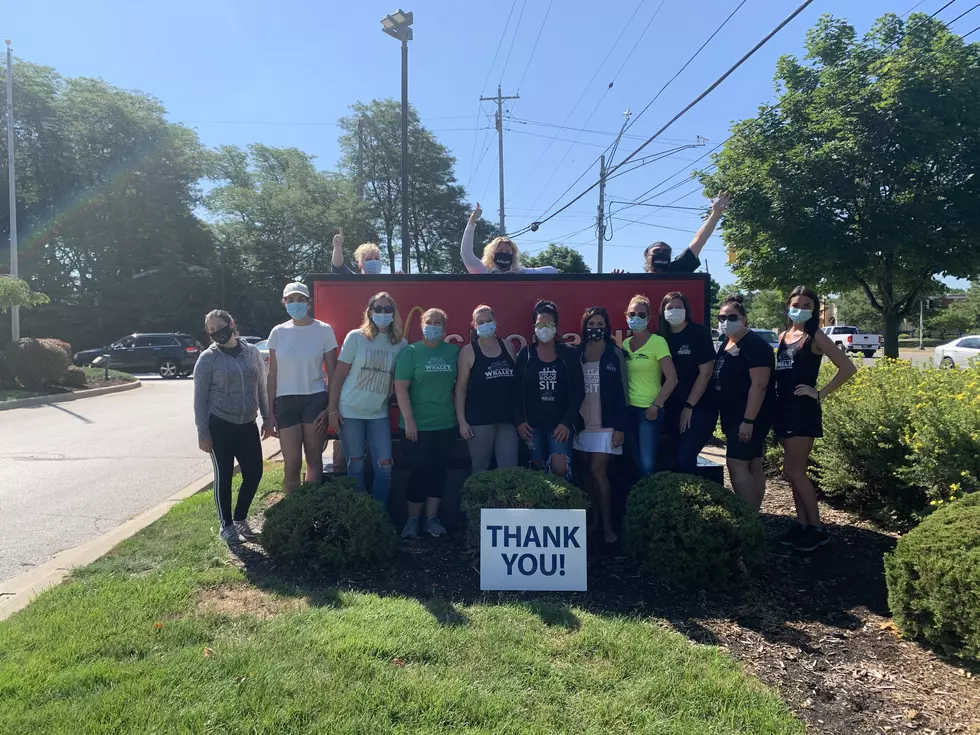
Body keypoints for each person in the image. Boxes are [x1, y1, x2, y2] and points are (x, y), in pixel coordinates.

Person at [774, 286, 857, 552]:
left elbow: (848, 368)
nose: (800, 308)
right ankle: (802, 523)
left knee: (796, 472)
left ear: (814, 309)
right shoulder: (784, 336)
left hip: (802, 411)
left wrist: (819, 393)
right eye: (796, 303)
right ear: (788, 306)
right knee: (791, 472)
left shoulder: (816, 337)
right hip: (783, 409)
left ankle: (818, 529)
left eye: (807, 305)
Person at [193, 309, 272, 545]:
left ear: (231, 323)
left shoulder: (252, 352)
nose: (217, 333)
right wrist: (203, 432)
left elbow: (261, 386)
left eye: (220, 326)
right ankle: (226, 525)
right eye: (211, 331)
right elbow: (200, 399)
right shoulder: (208, 359)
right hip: (220, 425)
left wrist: (267, 418)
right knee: (224, 476)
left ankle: (240, 518)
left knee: (254, 473)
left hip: (247, 423)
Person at [327, 291, 407, 505]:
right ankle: (361, 515)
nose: (382, 313)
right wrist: (332, 410)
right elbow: (338, 376)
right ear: (370, 312)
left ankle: (378, 514)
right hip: (349, 411)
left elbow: (401, 380)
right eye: (378, 309)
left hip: (377, 414)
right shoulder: (356, 337)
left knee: (385, 466)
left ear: (394, 313)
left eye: (387, 309)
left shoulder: (401, 344)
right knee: (356, 465)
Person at [394, 308, 460, 538]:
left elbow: (461, 386)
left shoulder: (453, 352)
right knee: (419, 472)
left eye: (438, 322)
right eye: (429, 322)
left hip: (445, 423)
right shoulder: (410, 352)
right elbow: (400, 387)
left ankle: (431, 519)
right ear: (422, 325)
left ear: (444, 328)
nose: (433, 326)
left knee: (438, 472)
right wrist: (410, 420)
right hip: (416, 427)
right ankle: (412, 521)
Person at [267, 282, 338, 494]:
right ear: (284, 303)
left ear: (308, 302)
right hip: (286, 401)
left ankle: (310, 512)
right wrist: (270, 414)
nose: (295, 304)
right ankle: (292, 514)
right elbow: (272, 376)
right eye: (290, 300)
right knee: (291, 464)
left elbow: (334, 374)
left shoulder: (324, 330)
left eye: (300, 299)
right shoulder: (278, 332)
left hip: (315, 399)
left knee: (314, 459)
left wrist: (331, 408)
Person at [714, 294, 775, 511]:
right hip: (733, 413)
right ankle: (756, 517)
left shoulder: (755, 346)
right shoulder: (727, 343)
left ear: (744, 318)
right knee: (753, 463)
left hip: (749, 415)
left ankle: (748, 518)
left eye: (732, 317)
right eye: (721, 318)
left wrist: (748, 420)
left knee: (736, 464)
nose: (725, 322)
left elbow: (759, 385)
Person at [514, 300, 585, 480]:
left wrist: (567, 422)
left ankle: (564, 505)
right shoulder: (526, 354)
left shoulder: (568, 353)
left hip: (559, 424)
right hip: (532, 425)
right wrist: (519, 421)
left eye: (549, 323)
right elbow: (514, 389)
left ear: (555, 326)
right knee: (536, 467)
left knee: (559, 469)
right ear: (534, 326)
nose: (544, 327)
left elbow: (579, 390)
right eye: (540, 323)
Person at [576, 306, 628, 543]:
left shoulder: (615, 353)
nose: (595, 328)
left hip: (607, 423)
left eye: (599, 324)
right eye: (591, 324)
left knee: (599, 470)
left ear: (606, 327)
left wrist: (620, 427)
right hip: (582, 422)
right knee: (587, 472)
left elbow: (623, 392)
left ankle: (608, 527)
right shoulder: (577, 351)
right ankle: (594, 521)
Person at [658, 292, 719, 474]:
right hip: (671, 409)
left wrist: (689, 406)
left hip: (698, 408)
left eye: (679, 307)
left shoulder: (697, 333)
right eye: (670, 308)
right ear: (662, 312)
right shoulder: (662, 338)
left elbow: (706, 372)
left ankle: (694, 499)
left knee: (685, 458)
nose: (674, 311)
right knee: (675, 460)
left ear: (686, 310)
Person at [456, 304, 519, 473]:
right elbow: (461, 389)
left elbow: (516, 385)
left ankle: (506, 501)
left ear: (495, 322)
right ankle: (476, 501)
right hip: (479, 421)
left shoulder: (508, 346)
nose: (485, 325)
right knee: (480, 469)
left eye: (488, 320)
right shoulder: (468, 351)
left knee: (509, 470)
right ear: (474, 325)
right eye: (480, 322)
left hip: (507, 420)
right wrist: (462, 422)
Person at [623, 295, 678, 475]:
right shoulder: (624, 344)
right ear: (626, 316)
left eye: (641, 314)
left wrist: (655, 406)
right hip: (628, 410)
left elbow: (672, 379)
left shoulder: (657, 342)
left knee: (647, 464)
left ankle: (650, 499)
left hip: (649, 412)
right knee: (634, 460)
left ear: (648, 317)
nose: (636, 318)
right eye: (632, 314)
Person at [612, 191, 731, 274]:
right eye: (657, 251)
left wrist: (716, 213)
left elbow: (699, 240)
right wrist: (613, 280)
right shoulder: (638, 281)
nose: (661, 253)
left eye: (666, 251)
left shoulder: (679, 268)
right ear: (646, 255)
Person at [460, 204, 558, 274]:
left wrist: (521, 271)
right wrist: (471, 221)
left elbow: (552, 270)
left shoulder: (520, 273)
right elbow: (466, 253)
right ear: (491, 253)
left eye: (508, 252)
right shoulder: (483, 271)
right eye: (500, 250)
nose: (504, 253)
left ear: (513, 254)